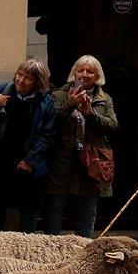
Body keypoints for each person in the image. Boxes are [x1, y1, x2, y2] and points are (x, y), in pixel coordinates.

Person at [0, 58, 57, 233]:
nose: (21, 80)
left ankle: (24, 249)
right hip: (0, 160)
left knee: (28, 210)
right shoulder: (5, 90)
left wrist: (31, 160)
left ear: (37, 82)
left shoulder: (45, 102)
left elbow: (47, 134)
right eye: (19, 74)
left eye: (27, 78)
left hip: (27, 164)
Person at [44, 55, 118, 237]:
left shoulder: (104, 98)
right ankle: (51, 248)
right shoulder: (59, 94)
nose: (84, 74)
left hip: (91, 159)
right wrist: (71, 104)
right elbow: (49, 121)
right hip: (62, 158)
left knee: (87, 208)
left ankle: (83, 248)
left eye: (90, 71)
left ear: (97, 76)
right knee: (55, 206)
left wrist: (90, 114)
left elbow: (113, 126)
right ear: (74, 73)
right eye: (80, 70)